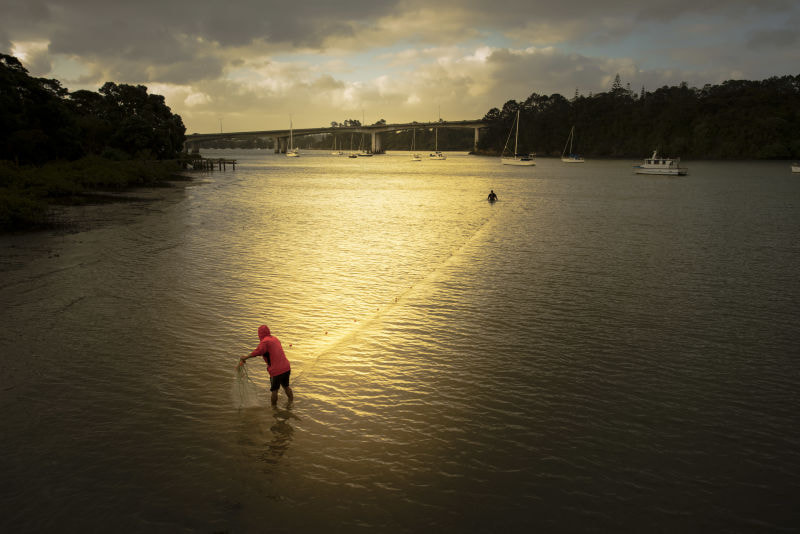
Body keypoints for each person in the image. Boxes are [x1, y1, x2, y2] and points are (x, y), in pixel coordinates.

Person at [239, 324, 293, 406]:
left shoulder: (264, 342)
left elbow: (257, 352)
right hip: (286, 367)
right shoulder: (275, 338)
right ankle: (291, 402)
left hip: (276, 371)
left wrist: (245, 357)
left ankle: (274, 408)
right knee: (286, 387)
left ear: (260, 334)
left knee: (274, 391)